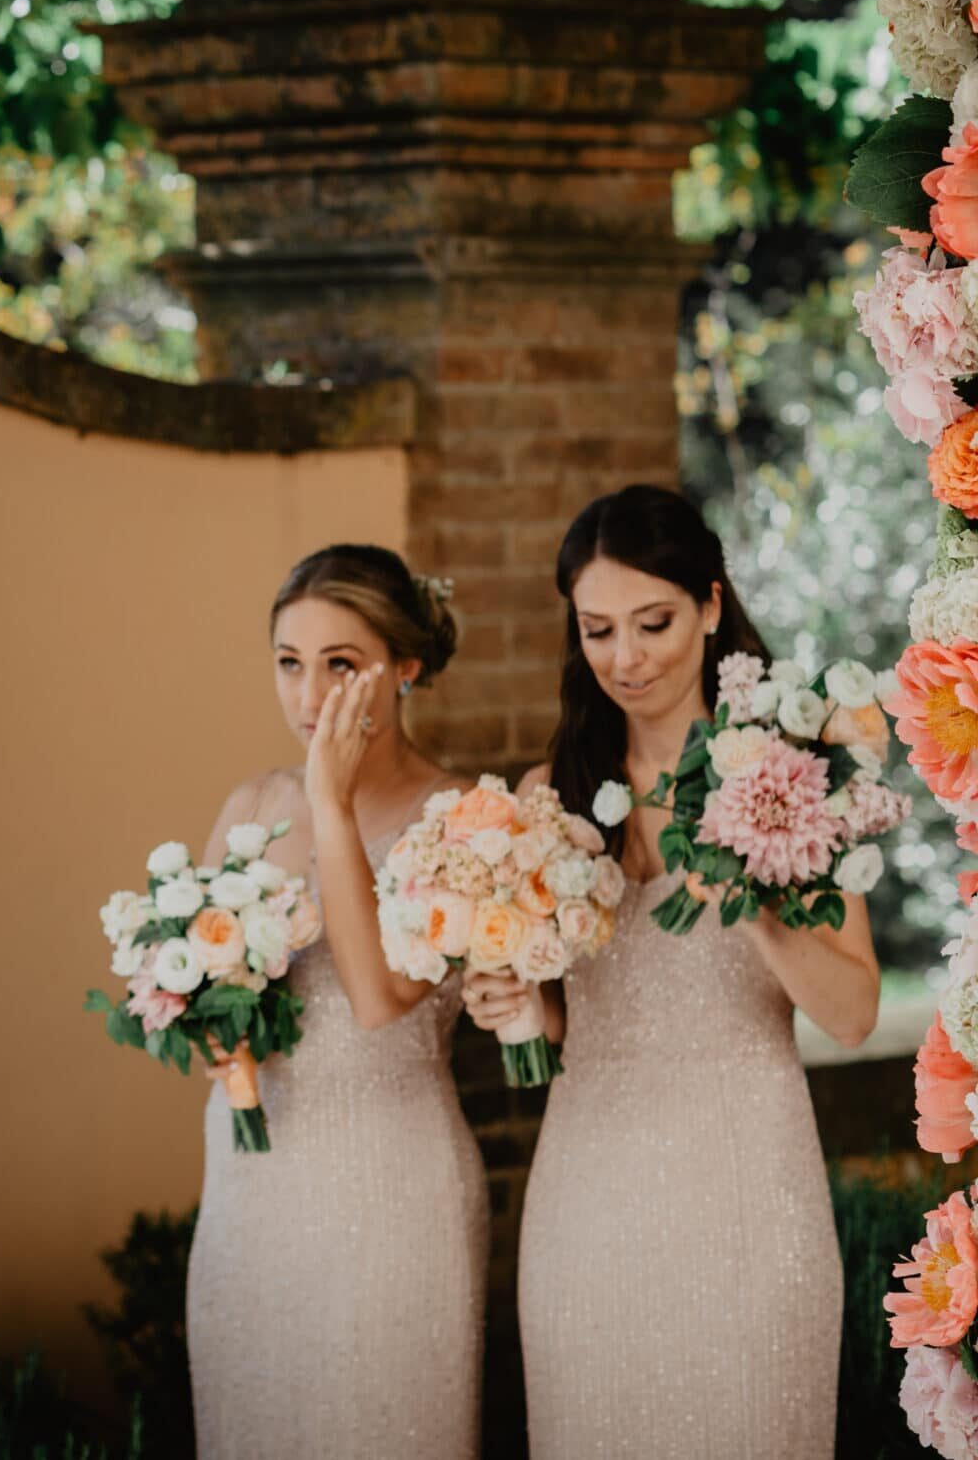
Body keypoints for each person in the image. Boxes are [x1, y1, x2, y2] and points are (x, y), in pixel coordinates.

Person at [500, 484, 871, 1458]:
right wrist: (512, 1001)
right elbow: (547, 1027)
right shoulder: (553, 797)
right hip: (588, 1193)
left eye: (653, 622)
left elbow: (854, 1015)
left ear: (709, 606)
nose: (626, 657)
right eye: (597, 630)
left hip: (748, 1184)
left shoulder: (796, 774)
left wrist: (749, 901)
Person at [184, 545, 486, 1458]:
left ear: (407, 667)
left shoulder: (462, 819)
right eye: (289, 661)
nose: (308, 695)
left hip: (394, 1188)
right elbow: (201, 992)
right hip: (254, 1188)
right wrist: (205, 1021)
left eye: (340, 664)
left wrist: (332, 802)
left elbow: (378, 999)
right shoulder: (250, 805)